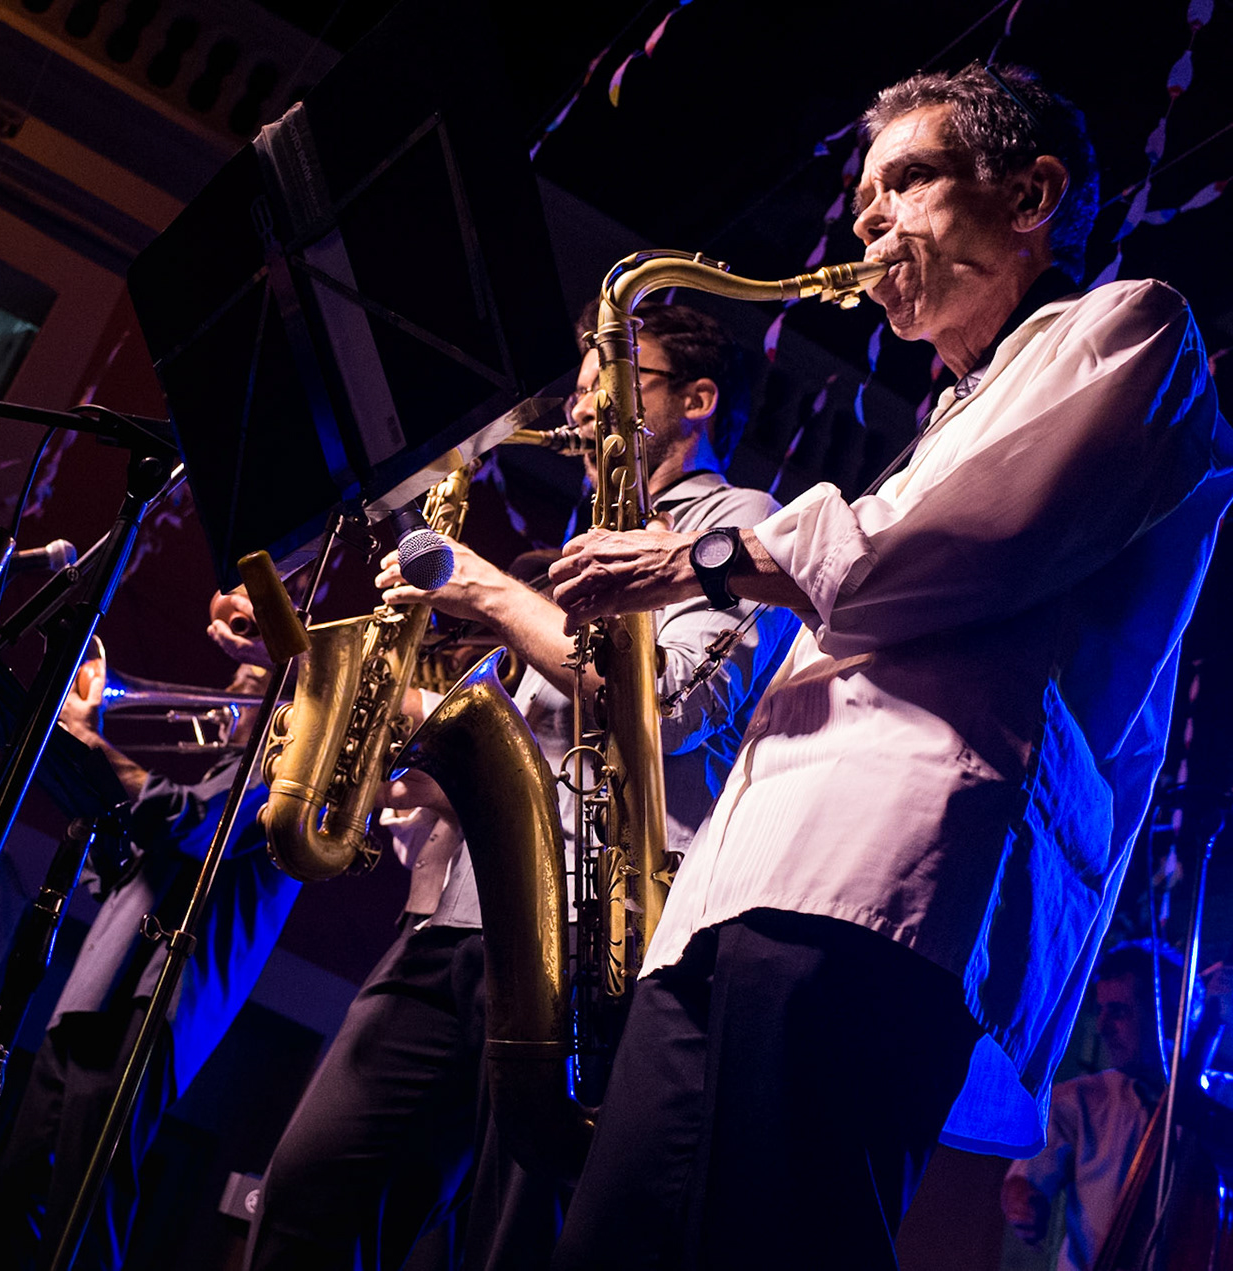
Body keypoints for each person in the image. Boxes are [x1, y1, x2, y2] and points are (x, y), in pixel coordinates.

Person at [543, 63, 1233, 1268]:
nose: (867, 219)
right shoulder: (952, 412)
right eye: (863, 196)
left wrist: (697, 558)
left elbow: (967, 544)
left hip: (886, 885)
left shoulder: (1131, 329)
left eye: (906, 180)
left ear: (1032, 196)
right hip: (740, 885)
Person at [243, 302, 798, 1271]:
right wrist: (366, 716)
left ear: (697, 400)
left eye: (608, 386)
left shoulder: (743, 523)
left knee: (506, 1244)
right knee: (305, 1194)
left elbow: (670, 703)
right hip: (463, 918)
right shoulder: (574, 555)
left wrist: (493, 594)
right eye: (578, 391)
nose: (579, 411)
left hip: (595, 936)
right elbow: (512, 745)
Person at [0, 595, 302, 1270]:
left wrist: (92, 743)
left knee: (86, 1206)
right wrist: (83, 781)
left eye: (242, 691)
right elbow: (112, 876)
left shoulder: (280, 782)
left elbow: (195, 828)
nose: (221, 705)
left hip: (155, 1002)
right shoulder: (214, 775)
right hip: (93, 995)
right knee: (10, 1195)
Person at [1003, 943, 1181, 1271]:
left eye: (1119, 1011)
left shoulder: (1217, 1099)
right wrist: (1022, 1202)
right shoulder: (1080, 1098)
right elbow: (1024, 1180)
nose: (1102, 1027)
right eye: (1101, 1010)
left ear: (1166, 1015)